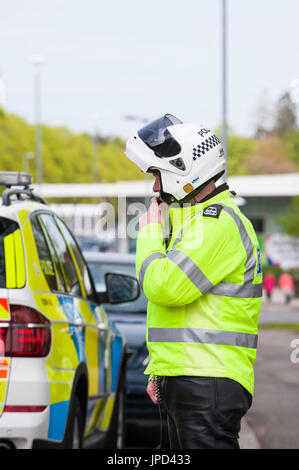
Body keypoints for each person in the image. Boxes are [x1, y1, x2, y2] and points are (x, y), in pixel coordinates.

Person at [125, 114, 263, 449]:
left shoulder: (217, 223)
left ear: (185, 170)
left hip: (207, 381)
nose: (155, 187)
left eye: (158, 175)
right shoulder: (195, 223)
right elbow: (183, 316)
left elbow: (165, 286)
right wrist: (162, 371)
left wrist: (150, 233)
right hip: (192, 378)